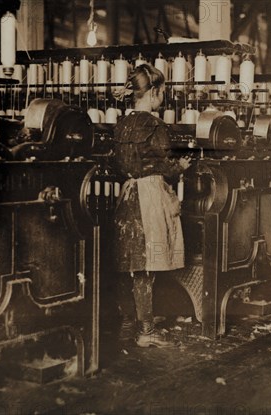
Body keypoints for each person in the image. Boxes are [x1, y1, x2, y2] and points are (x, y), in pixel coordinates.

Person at [112, 64, 191, 347]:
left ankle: (127, 324)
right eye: (163, 92)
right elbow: (166, 167)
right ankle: (146, 332)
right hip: (150, 197)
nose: (163, 98)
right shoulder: (157, 126)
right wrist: (179, 166)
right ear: (155, 92)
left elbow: (121, 163)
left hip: (128, 194)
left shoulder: (121, 124)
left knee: (127, 262)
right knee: (146, 264)